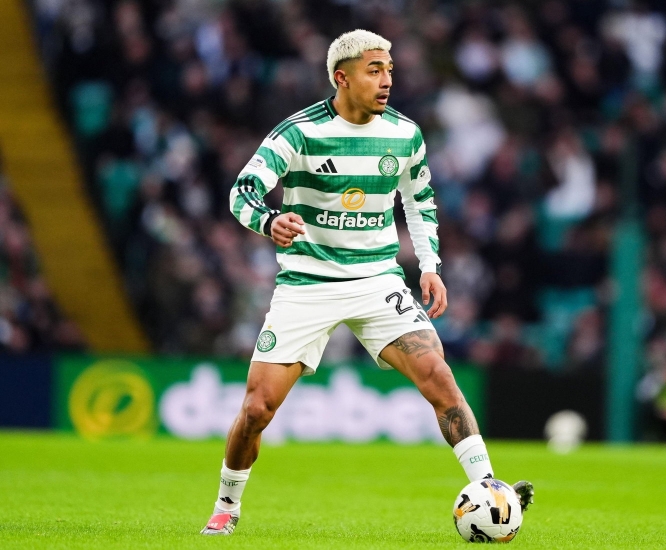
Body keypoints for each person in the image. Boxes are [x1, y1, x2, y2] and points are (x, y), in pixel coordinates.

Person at [201, 29, 533, 536]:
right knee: (257, 408)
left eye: (389, 70)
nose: (386, 81)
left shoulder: (405, 134)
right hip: (308, 282)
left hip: (378, 280)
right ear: (342, 78)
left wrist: (430, 265)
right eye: (374, 71)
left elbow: (420, 201)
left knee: (439, 377)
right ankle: (227, 505)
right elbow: (242, 191)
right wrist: (269, 221)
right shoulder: (299, 133)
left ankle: (490, 489)